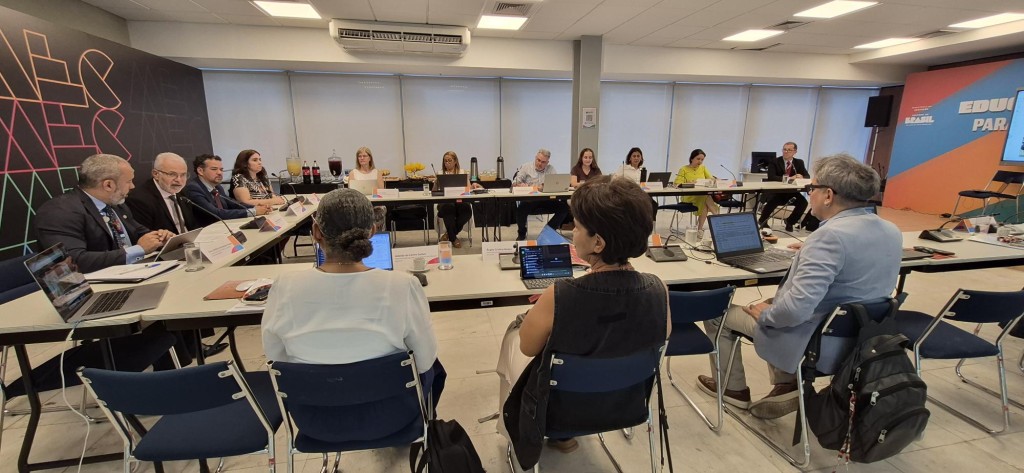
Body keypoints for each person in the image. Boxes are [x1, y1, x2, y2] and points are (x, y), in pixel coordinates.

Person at [696, 153, 901, 420]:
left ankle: (733, 389)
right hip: (864, 340)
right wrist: (809, 251)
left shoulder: (829, 237)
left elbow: (794, 312)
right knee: (776, 302)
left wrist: (766, 315)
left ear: (828, 195)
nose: (809, 194)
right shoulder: (890, 230)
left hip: (819, 344)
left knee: (718, 313)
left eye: (811, 188)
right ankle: (786, 383)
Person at [499, 175, 670, 468]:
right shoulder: (659, 289)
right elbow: (658, 335)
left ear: (598, 243)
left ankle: (513, 431)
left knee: (512, 338)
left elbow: (528, 348)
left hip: (560, 412)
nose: (571, 232)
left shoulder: (558, 295)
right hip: (625, 405)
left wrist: (541, 312)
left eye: (576, 227)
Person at [262, 188, 443, 438]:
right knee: (435, 367)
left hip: (315, 421)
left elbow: (276, 359)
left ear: (316, 232)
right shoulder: (403, 285)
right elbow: (424, 361)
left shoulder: (284, 286)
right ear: (373, 231)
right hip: (392, 416)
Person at [34, 154, 172, 273]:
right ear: (108, 185)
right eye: (129, 181)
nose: (132, 186)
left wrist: (160, 237)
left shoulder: (116, 204)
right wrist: (139, 249)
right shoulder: (60, 212)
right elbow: (73, 262)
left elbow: (137, 231)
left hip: (131, 272)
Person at [183, 153, 272, 227]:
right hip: (208, 232)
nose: (219, 173)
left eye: (221, 169)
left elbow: (233, 204)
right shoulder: (193, 188)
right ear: (200, 171)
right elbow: (216, 213)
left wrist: (255, 207)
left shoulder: (217, 187)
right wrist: (253, 211)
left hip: (225, 227)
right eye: (214, 169)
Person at [125, 152, 198, 234]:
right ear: (156, 174)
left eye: (183, 175)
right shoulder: (139, 200)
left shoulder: (183, 192)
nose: (179, 180)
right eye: (172, 174)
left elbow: (193, 225)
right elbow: (146, 236)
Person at [512, 149, 570, 241]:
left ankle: (548, 231)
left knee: (564, 208)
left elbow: (555, 184)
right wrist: (521, 185)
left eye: (543, 162)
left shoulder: (551, 169)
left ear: (547, 162)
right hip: (530, 200)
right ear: (535, 158)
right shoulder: (526, 167)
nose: (540, 163)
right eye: (538, 160)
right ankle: (522, 233)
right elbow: (515, 183)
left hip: (546, 200)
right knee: (520, 210)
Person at [758, 142, 808, 232]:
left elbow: (807, 176)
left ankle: (790, 221)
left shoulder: (799, 162)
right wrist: (789, 179)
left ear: (795, 152)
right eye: (784, 149)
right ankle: (762, 220)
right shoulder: (775, 161)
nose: (786, 152)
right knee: (773, 201)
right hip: (776, 191)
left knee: (803, 202)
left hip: (791, 192)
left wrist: (801, 177)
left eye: (789, 150)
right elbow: (771, 177)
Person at [672, 149, 720, 232]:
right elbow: (676, 183)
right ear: (692, 158)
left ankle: (700, 229)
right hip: (688, 197)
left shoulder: (703, 168)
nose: (700, 161)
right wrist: (688, 182)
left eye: (702, 160)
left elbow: (710, 178)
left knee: (704, 200)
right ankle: (718, 219)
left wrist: (715, 180)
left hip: (701, 196)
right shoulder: (683, 169)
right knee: (706, 198)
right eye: (698, 159)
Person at [435, 151, 475, 248]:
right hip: (445, 202)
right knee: (449, 208)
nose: (447, 163)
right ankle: (453, 239)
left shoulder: (462, 172)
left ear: (455, 161)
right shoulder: (440, 173)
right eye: (445, 161)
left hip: (460, 200)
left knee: (467, 211)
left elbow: (468, 189)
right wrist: (436, 182)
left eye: (449, 160)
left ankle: (448, 234)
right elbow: (434, 191)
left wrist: (472, 186)